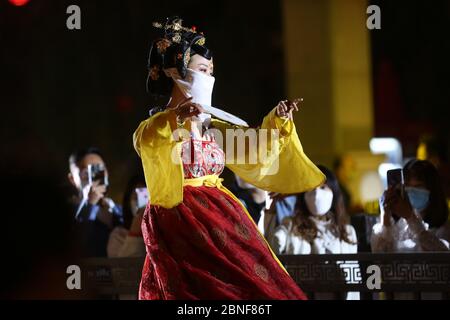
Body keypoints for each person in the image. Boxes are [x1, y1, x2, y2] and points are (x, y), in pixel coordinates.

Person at [133, 17, 325, 300]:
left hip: (221, 214)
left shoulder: (210, 125)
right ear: (176, 72)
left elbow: (251, 147)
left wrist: (277, 120)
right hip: (182, 217)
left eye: (211, 71)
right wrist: (175, 118)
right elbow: (145, 141)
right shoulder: (159, 124)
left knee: (254, 284)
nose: (208, 77)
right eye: (202, 69)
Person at [268, 166, 358, 300]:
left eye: (323, 188)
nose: (316, 194)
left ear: (334, 191)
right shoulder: (291, 225)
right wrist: (271, 209)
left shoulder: (347, 231)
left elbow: (353, 279)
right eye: (310, 188)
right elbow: (273, 245)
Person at [371, 159, 450, 252]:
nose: (412, 191)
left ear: (433, 191)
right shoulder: (398, 228)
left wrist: (410, 217)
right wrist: (385, 217)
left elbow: (439, 256)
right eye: (407, 186)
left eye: (418, 186)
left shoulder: (443, 229)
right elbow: (380, 259)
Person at [68, 147, 123, 257]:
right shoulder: (66, 212)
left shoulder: (120, 210)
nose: (93, 176)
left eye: (100, 169)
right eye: (85, 172)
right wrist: (89, 204)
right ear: (72, 179)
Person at [107, 174, 146, 258]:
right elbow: (120, 269)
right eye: (135, 197)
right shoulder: (118, 235)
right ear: (128, 201)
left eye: (146, 198)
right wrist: (135, 233)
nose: (142, 204)